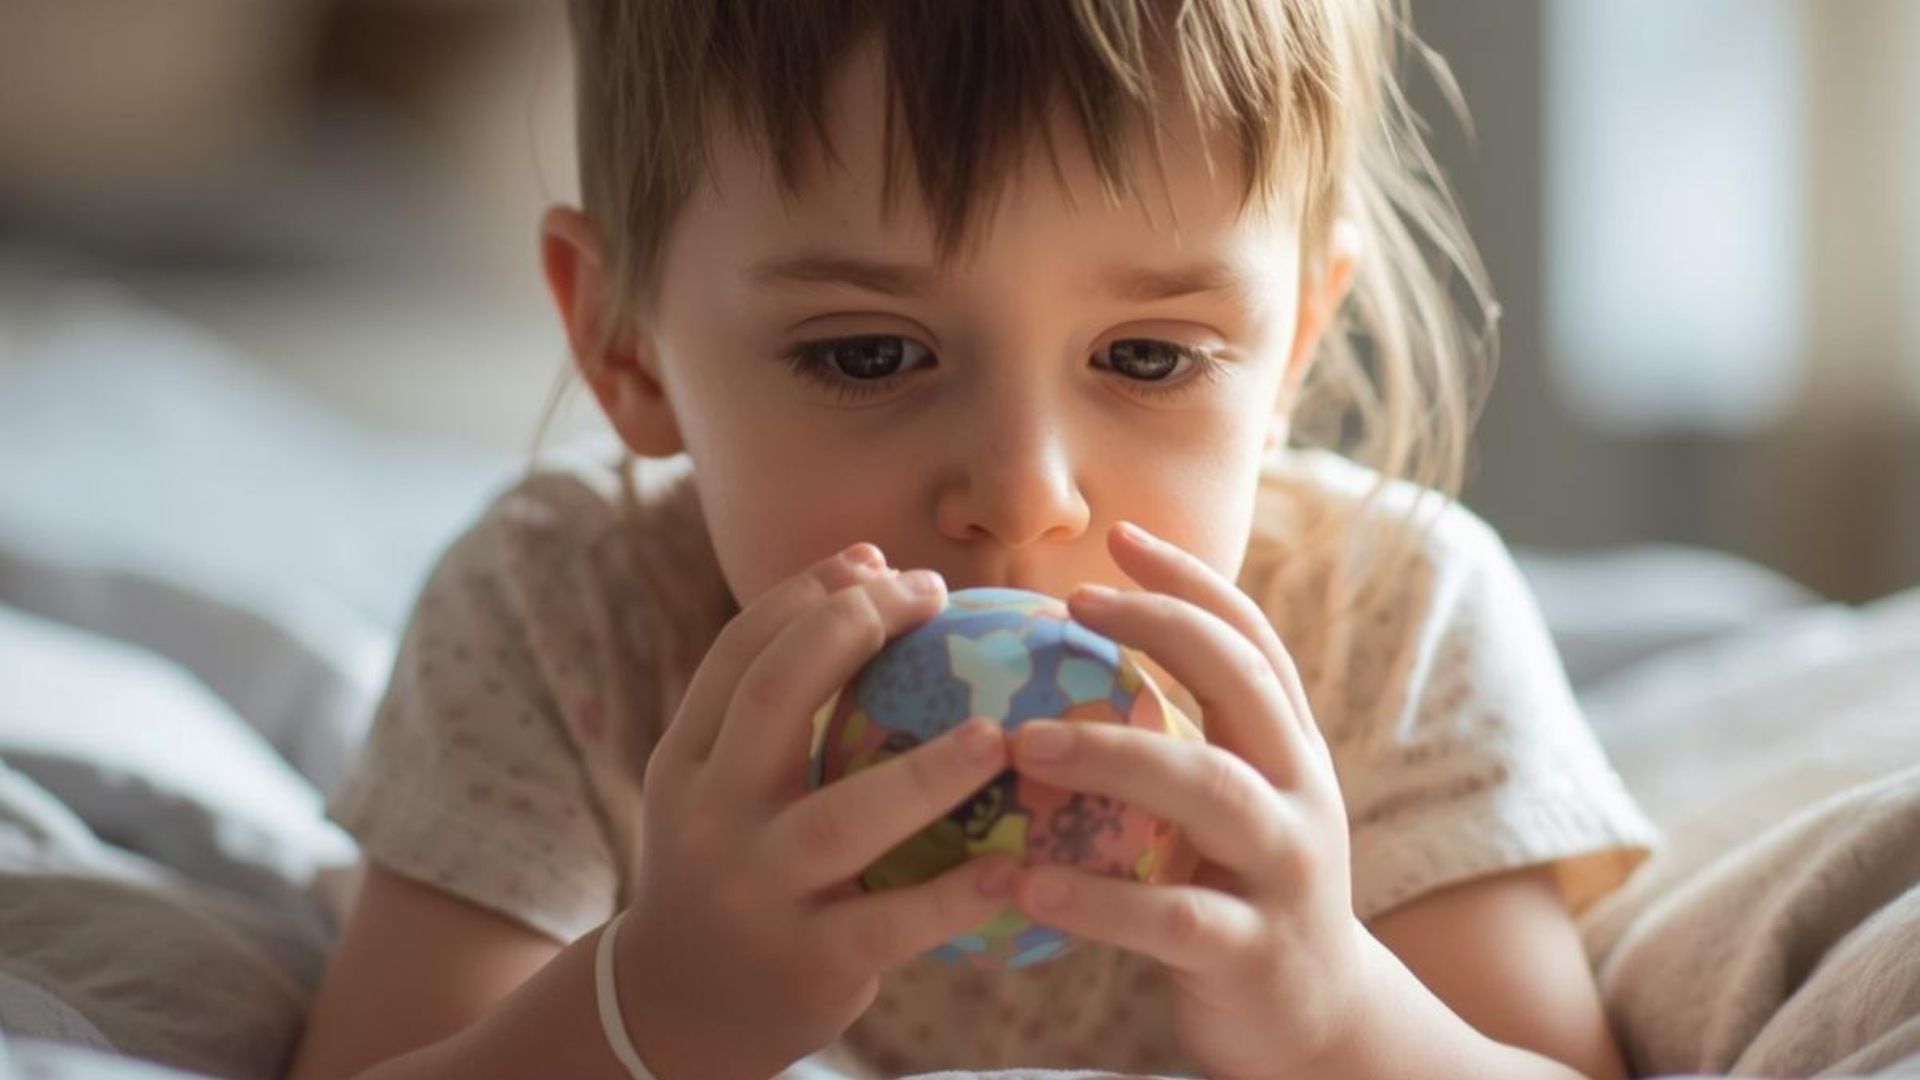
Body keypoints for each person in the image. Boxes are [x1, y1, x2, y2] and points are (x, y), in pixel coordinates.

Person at [286, 2, 1659, 1078]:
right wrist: (652, 1012)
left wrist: (1334, 1018)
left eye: (1148, 355)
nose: (1021, 491)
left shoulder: (1387, 621)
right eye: (871, 353)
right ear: (624, 343)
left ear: (1294, 338)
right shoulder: (561, 616)